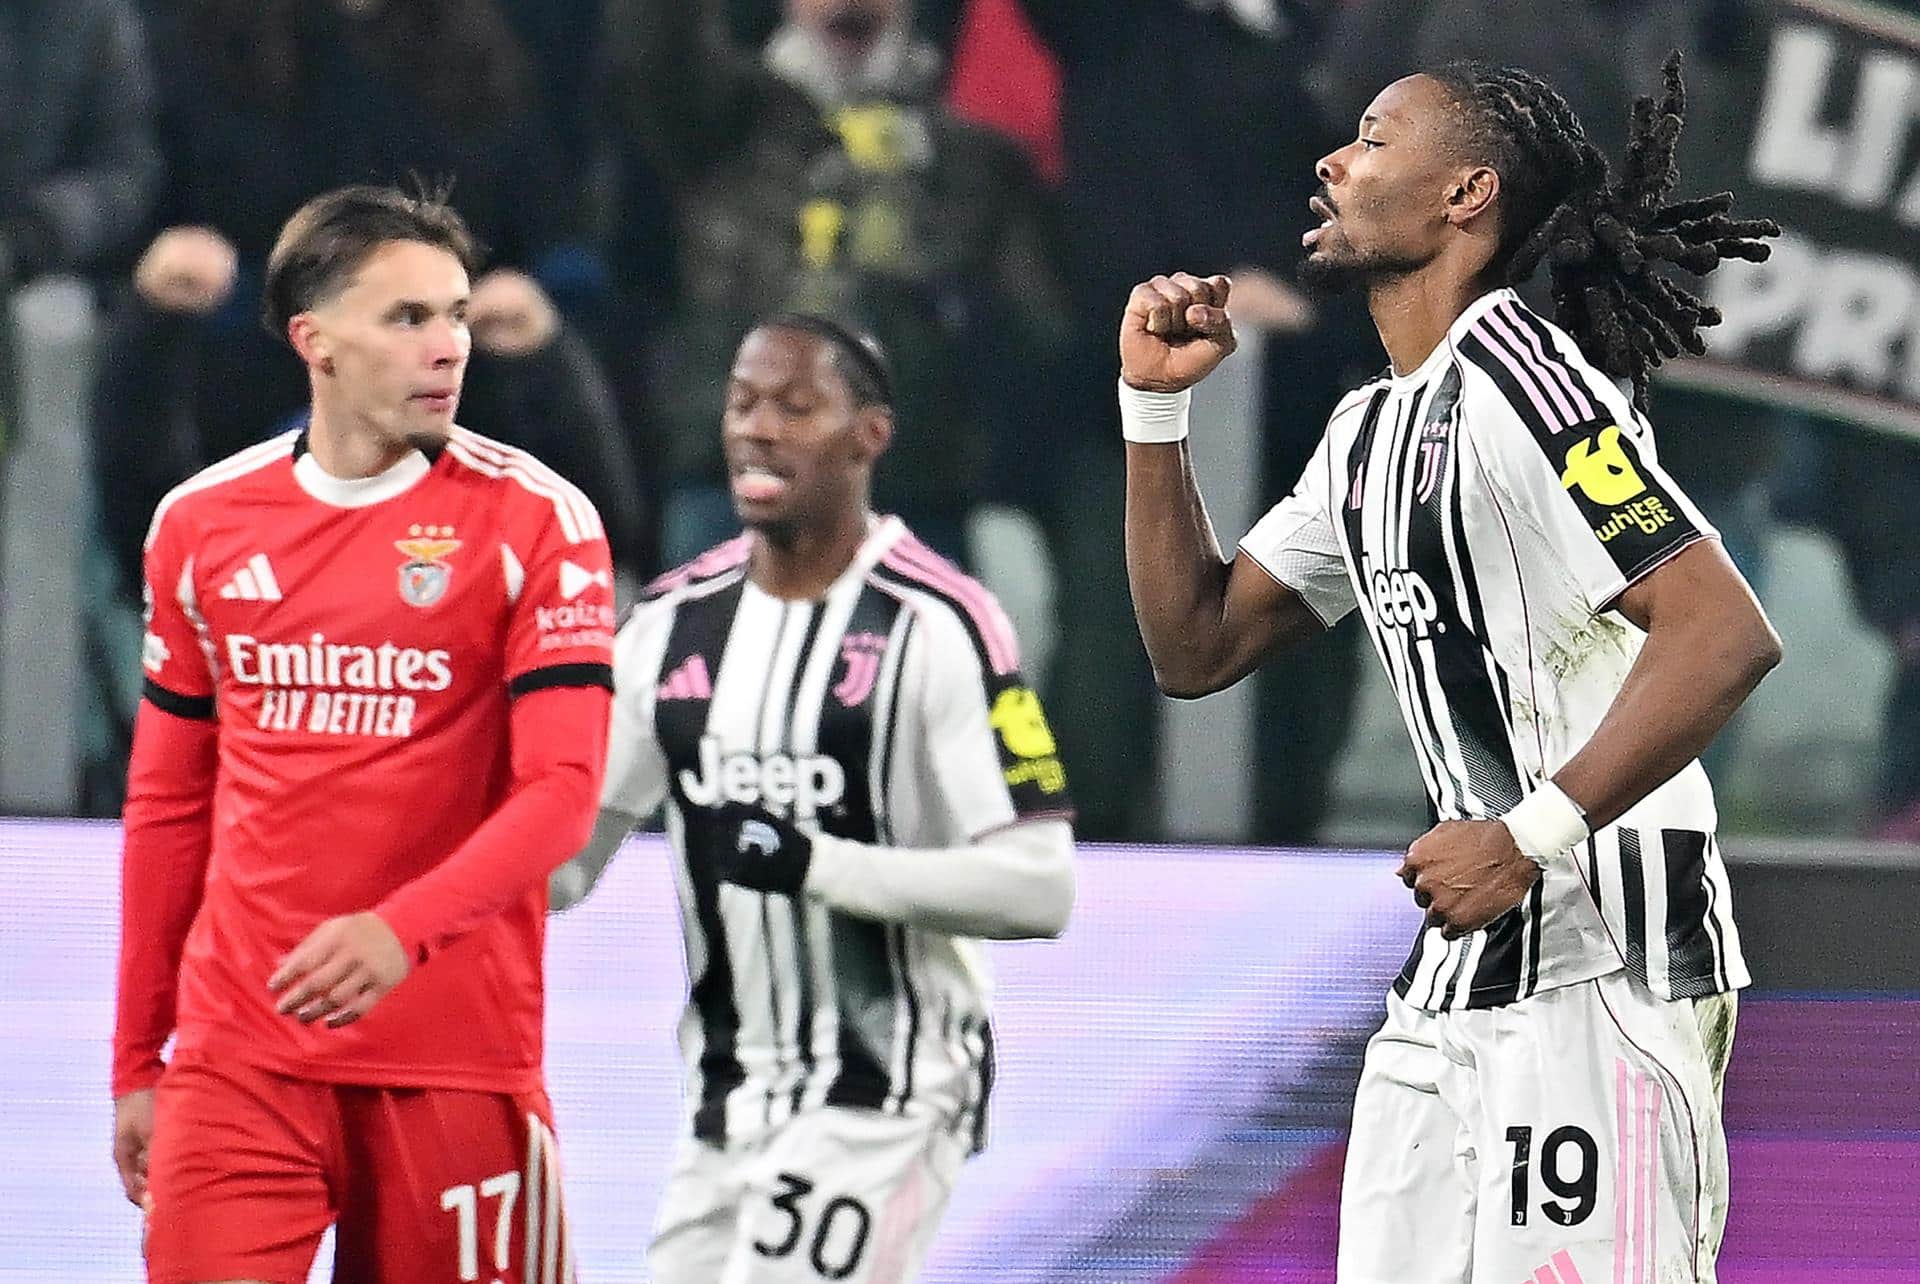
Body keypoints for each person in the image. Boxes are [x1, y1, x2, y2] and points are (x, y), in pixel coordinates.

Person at [1120, 57, 1781, 1282]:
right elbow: (1196, 645)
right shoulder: (1371, 427)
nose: (1334, 161)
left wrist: (1527, 836)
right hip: (1459, 971)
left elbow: (1722, 631)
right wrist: (1153, 414)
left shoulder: (1534, 391)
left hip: (1604, 954)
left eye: (1375, 140)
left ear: (1466, 192)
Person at [110, 185, 615, 1282]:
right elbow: (168, 807)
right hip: (238, 1061)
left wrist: (402, 930)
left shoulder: (538, 520)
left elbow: (563, 794)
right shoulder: (200, 524)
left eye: (458, 315)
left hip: (455, 1062)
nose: (449, 346)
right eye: (409, 318)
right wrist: (137, 1059)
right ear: (315, 341)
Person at [549, 314, 1076, 1283]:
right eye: (743, 403)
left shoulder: (943, 623)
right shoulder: (669, 627)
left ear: (869, 436)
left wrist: (814, 864)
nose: (758, 428)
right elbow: (564, 868)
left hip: (889, 1091)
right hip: (725, 1099)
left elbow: (1039, 887)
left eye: (796, 408)